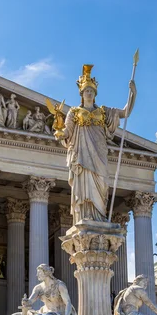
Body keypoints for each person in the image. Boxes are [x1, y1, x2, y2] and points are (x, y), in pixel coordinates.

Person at [56, 64, 136, 224]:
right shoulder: (74, 112)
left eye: (92, 91)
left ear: (95, 93)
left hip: (99, 154)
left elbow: (125, 113)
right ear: (81, 93)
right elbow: (67, 132)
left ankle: (98, 219)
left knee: (102, 186)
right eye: (87, 91)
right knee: (83, 188)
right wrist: (59, 132)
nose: (89, 93)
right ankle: (84, 218)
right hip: (82, 157)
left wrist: (133, 93)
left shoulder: (104, 112)